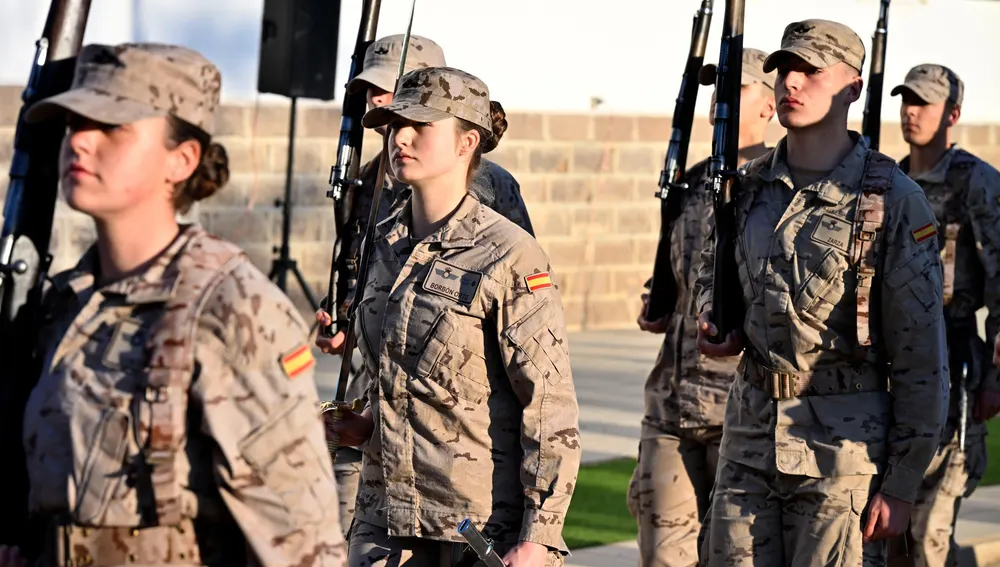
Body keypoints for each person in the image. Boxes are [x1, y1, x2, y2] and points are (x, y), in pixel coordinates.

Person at [0, 43, 346, 567]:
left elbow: (303, 544)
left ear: (181, 160)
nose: (81, 142)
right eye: (76, 123)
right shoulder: (61, 306)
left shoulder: (234, 310)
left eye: (112, 127)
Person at [695, 20, 949, 566]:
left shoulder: (891, 201)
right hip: (747, 444)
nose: (791, 81)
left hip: (842, 460)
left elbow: (922, 357)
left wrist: (903, 481)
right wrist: (714, 317)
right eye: (785, 68)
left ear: (852, 86)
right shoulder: (746, 188)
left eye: (810, 70)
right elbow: (709, 269)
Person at [314, 66, 580, 567]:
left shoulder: (508, 255)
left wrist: (540, 534)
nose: (401, 138)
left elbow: (547, 404)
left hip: (474, 528)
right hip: (384, 515)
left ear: (466, 143)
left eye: (421, 125)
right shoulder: (382, 241)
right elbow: (392, 368)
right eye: (393, 125)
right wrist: (361, 421)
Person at [627, 47, 777, 567]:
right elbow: (680, 277)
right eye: (718, 90)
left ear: (770, 106)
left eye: (738, 89)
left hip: (739, 416)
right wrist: (658, 300)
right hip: (670, 405)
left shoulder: (776, 189)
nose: (721, 101)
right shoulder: (692, 182)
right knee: (664, 559)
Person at [887, 63, 1000, 567]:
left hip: (956, 363)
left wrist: (996, 376)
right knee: (890, 536)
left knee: (929, 533)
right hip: (894, 366)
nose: (912, 112)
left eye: (924, 103)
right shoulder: (889, 178)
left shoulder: (977, 182)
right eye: (906, 100)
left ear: (952, 113)